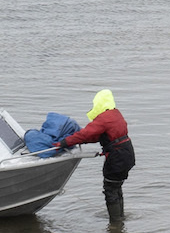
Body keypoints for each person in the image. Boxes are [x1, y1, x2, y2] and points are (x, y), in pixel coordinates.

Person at [58, 89, 135, 223]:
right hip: (127, 153)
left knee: (110, 189)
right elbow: (96, 136)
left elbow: (86, 134)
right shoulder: (115, 114)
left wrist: (64, 142)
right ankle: (120, 219)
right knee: (116, 187)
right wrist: (78, 140)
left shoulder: (104, 118)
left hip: (117, 157)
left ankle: (115, 224)